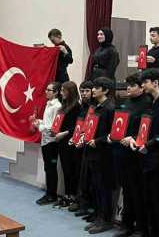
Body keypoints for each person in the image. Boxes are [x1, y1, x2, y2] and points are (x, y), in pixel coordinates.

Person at [110, 73, 149, 237]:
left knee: (137, 191)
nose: (128, 88)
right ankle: (127, 225)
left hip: (137, 154)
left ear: (142, 87)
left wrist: (132, 138)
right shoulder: (126, 102)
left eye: (132, 85)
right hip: (122, 152)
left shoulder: (147, 104)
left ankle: (140, 227)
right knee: (126, 190)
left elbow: (145, 129)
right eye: (128, 85)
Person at [136, 68, 159, 237]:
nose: (142, 85)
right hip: (148, 157)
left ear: (156, 83)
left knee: (158, 200)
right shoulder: (152, 101)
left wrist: (149, 145)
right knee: (149, 199)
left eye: (145, 82)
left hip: (158, 159)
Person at [85, 77, 116, 234]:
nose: (94, 90)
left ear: (105, 90)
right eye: (94, 87)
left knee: (104, 187)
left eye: (97, 87)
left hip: (104, 153)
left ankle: (106, 220)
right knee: (96, 186)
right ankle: (99, 216)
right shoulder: (96, 106)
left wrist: (98, 141)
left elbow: (114, 132)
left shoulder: (110, 108)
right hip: (93, 151)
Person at [33, 81, 62, 205]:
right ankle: (49, 192)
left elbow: (54, 126)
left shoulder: (57, 106)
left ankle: (52, 195)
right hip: (45, 140)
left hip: (52, 141)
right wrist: (39, 121)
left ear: (55, 92)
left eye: (49, 90)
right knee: (47, 167)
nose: (46, 92)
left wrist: (40, 126)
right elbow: (47, 121)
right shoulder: (48, 104)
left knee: (51, 168)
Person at [69, 81, 95, 216]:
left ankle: (87, 205)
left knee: (87, 178)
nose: (84, 94)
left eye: (87, 91)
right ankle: (80, 201)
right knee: (79, 174)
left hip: (89, 145)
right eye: (82, 91)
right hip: (77, 144)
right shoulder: (81, 107)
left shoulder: (94, 107)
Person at [55, 81, 81, 208]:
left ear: (70, 92)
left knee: (71, 169)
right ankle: (67, 194)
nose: (61, 93)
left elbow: (76, 126)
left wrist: (64, 133)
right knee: (65, 169)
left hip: (70, 140)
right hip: (61, 140)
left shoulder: (76, 106)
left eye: (64, 91)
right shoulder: (64, 106)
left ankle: (73, 195)